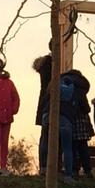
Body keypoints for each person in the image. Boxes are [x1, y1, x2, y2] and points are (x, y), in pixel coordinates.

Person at [69, 70, 95, 179]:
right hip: (82, 122)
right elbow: (86, 108)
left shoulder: (66, 87)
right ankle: (87, 170)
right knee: (83, 148)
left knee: (73, 148)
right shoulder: (81, 91)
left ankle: (74, 169)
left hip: (71, 121)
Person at [32, 42, 52, 175]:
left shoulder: (47, 63)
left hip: (46, 102)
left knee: (46, 135)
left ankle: (49, 166)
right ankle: (44, 166)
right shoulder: (48, 64)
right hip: (47, 103)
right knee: (46, 134)